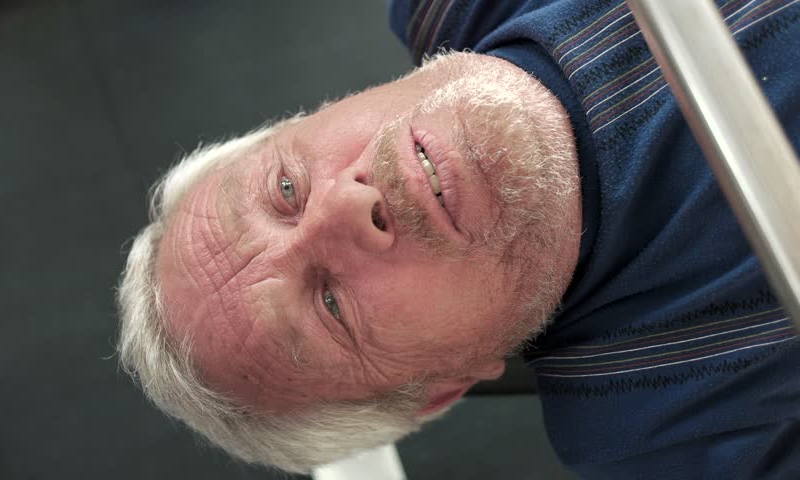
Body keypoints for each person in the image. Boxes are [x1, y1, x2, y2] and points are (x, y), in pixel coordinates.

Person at [117, 0, 800, 477]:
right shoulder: (693, 438)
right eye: (330, 305)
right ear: (440, 388)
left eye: (287, 189)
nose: (348, 207)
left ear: (316, 112)